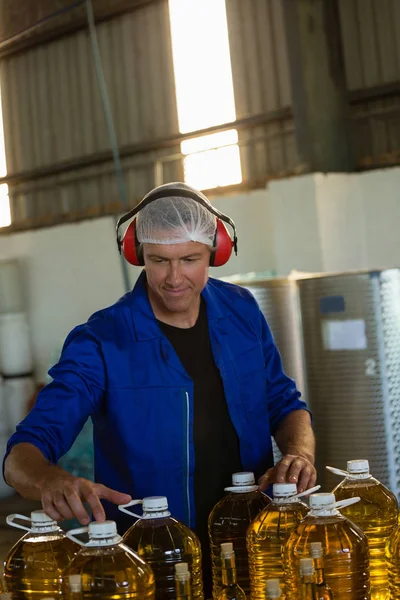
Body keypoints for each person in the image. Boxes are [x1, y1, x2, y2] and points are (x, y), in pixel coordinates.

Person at [3, 182, 315, 593]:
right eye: (158, 260)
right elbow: (22, 453)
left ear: (216, 251)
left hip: (250, 549)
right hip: (149, 563)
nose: (173, 278)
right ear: (138, 254)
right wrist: (51, 482)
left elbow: (284, 402)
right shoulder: (102, 340)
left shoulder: (242, 312)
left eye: (190, 259)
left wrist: (299, 454)